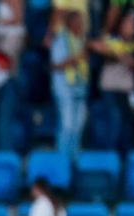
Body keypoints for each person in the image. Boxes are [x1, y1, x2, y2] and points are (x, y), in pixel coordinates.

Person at [90, 10, 134, 155]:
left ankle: (124, 157)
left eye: (133, 24)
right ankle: (110, 156)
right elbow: (94, 46)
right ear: (121, 25)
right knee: (115, 120)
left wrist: (117, 54)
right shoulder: (111, 40)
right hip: (110, 88)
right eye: (129, 23)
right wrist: (117, 53)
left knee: (127, 124)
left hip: (128, 90)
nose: (132, 27)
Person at [50, 10, 89, 158]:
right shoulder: (61, 39)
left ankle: (74, 159)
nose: (81, 25)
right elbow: (55, 65)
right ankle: (62, 158)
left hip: (80, 88)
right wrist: (75, 59)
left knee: (79, 125)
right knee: (67, 124)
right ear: (70, 23)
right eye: (78, 22)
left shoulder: (82, 40)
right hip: (64, 88)